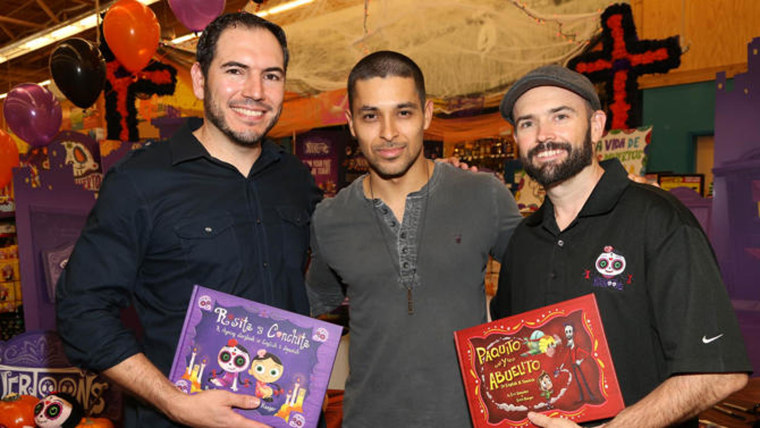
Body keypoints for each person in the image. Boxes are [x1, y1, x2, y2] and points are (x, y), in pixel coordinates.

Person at [56, 12, 322, 428]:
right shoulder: (140, 182)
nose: (255, 91)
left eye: (271, 76)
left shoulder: (295, 180)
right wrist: (174, 402)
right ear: (200, 80)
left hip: (285, 415)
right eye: (236, 71)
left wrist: (442, 183)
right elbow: (82, 312)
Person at [491, 64, 751, 427]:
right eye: (527, 123)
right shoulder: (524, 242)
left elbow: (720, 371)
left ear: (596, 126)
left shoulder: (658, 219)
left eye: (560, 116)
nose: (543, 136)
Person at [305, 51, 523, 427]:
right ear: (351, 123)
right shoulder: (330, 218)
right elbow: (306, 308)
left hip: (470, 420)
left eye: (403, 112)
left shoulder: (483, 195)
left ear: (427, 113)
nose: (388, 132)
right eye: (371, 115)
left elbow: (545, 277)